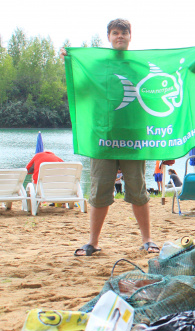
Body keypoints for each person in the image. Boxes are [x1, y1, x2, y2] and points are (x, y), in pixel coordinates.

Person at [63, 19, 159, 256]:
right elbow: (82, 89)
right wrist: (70, 61)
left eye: (124, 33)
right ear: (109, 36)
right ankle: (93, 242)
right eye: (115, 33)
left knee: (138, 190)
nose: (120, 37)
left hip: (133, 141)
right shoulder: (98, 65)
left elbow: (152, 98)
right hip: (103, 140)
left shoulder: (138, 67)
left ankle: (147, 239)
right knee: (98, 191)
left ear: (130, 37)